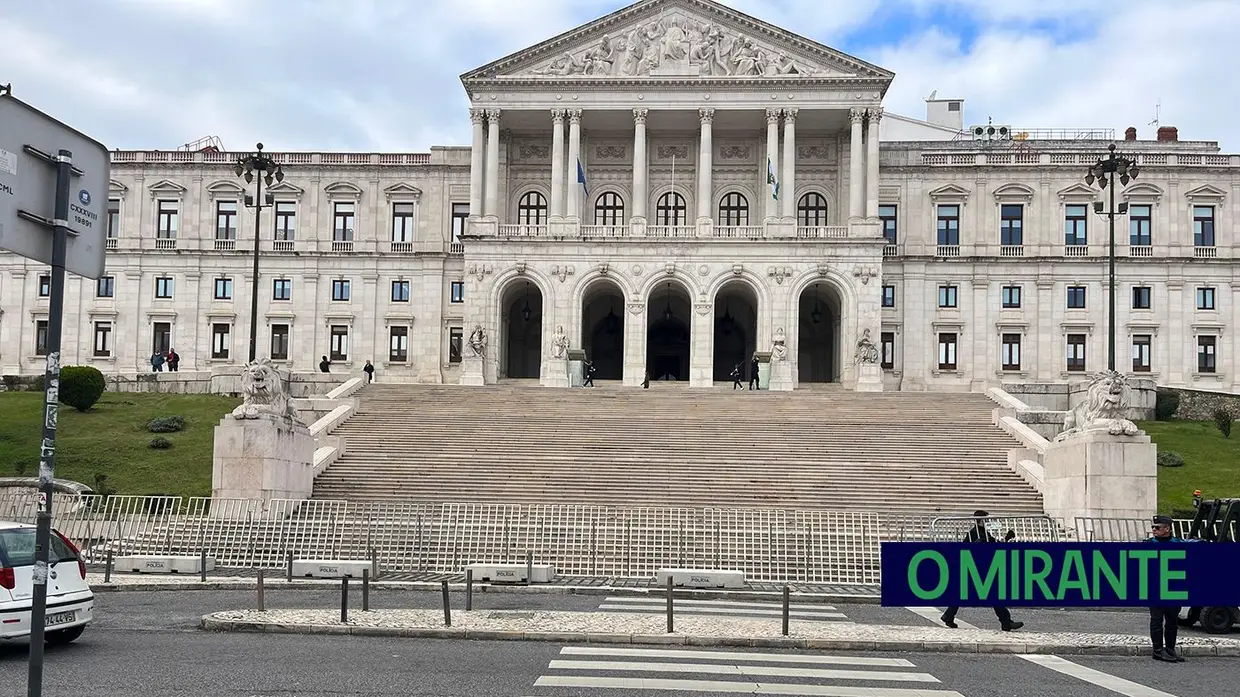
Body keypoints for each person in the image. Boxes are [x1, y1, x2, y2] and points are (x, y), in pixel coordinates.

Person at [941, 510, 1024, 631]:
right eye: (987, 519)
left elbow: (993, 545)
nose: (989, 521)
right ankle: (1006, 622)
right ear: (982, 520)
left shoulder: (982, 532)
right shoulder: (975, 532)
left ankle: (948, 616)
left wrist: (1006, 538)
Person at [1147, 514, 1200, 662]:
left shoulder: (1178, 542)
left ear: (1167, 529)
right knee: (1157, 620)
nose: (1154, 530)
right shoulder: (1148, 544)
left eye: (1157, 527)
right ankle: (1157, 651)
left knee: (1172, 621)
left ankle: (1170, 650)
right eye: (1153, 527)